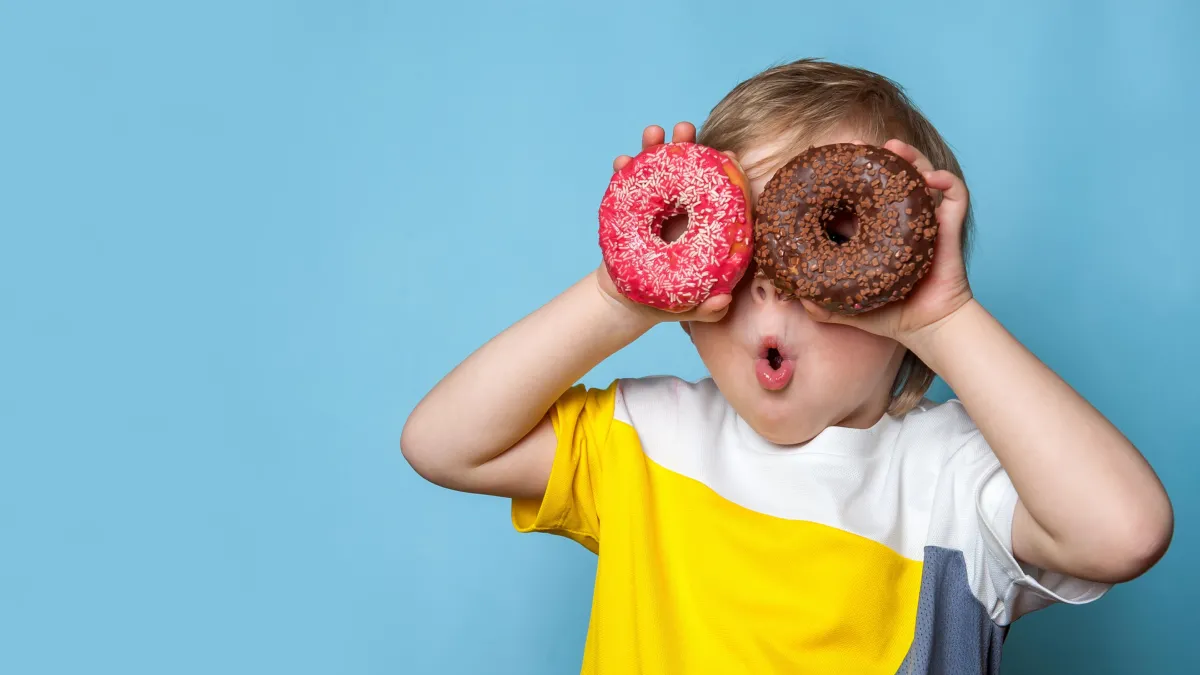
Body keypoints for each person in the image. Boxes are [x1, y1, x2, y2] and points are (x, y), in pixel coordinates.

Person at [400, 59, 1173, 674]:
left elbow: (1124, 531)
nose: (771, 281)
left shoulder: (954, 483)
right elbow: (444, 443)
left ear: (902, 275)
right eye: (740, 245)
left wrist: (944, 320)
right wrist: (620, 296)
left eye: (831, 238)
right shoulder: (645, 440)